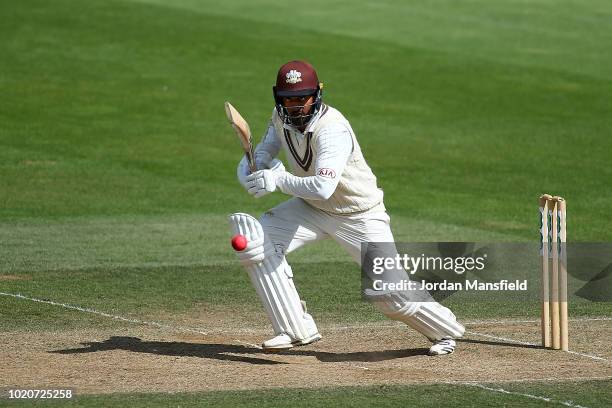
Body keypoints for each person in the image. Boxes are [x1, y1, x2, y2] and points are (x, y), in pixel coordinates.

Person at [229, 60, 464, 355]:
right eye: (289, 99)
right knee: (254, 241)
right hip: (312, 209)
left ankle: (445, 331)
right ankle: (295, 327)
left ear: (317, 95)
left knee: (391, 296)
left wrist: (276, 180)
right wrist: (251, 171)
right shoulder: (279, 118)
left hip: (360, 215)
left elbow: (323, 186)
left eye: (302, 98)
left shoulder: (332, 129)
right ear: (279, 98)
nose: (296, 106)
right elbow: (263, 154)